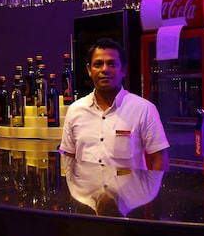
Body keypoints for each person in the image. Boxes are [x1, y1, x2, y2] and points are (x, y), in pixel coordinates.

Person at [60, 37, 170, 170]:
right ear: (89, 70)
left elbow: (160, 160)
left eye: (112, 64)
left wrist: (151, 184)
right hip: (84, 185)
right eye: (98, 64)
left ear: (123, 70)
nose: (105, 69)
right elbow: (68, 157)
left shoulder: (143, 109)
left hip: (130, 185)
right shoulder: (75, 110)